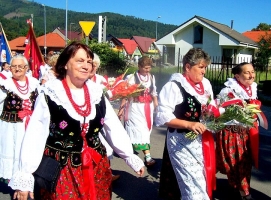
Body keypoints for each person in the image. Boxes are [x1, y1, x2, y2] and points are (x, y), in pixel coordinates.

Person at [8, 41, 145, 200]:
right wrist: (25, 174)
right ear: (65, 64)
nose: (86, 65)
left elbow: (113, 127)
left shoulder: (96, 94)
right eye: (80, 60)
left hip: (97, 167)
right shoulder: (51, 94)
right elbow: (35, 135)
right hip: (62, 169)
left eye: (89, 61)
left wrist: (129, 156)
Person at [155, 48, 214, 200]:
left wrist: (213, 115)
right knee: (192, 185)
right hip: (179, 141)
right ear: (188, 67)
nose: (204, 71)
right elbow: (163, 117)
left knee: (199, 179)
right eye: (200, 67)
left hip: (199, 141)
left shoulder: (205, 84)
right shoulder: (174, 86)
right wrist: (189, 124)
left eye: (205, 67)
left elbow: (210, 107)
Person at [216, 62, 259, 200]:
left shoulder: (252, 88)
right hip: (232, 133)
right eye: (247, 72)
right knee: (237, 163)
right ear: (237, 76)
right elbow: (219, 111)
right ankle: (245, 193)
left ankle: (240, 188)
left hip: (246, 132)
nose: (251, 75)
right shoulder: (228, 91)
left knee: (246, 164)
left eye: (252, 71)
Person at [0, 55, 39, 183]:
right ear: (10, 69)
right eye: (14, 66)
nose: (17, 69)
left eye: (20, 66)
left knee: (27, 151)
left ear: (26, 68)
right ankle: (13, 181)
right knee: (13, 150)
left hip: (29, 125)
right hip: (11, 127)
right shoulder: (5, 84)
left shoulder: (33, 83)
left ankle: (25, 178)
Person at [117, 56, 158, 166]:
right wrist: (121, 109)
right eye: (145, 68)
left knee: (145, 130)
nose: (147, 70)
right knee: (140, 131)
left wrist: (156, 105)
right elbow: (125, 94)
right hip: (134, 108)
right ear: (139, 66)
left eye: (149, 68)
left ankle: (129, 148)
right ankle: (148, 157)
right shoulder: (131, 77)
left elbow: (154, 93)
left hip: (147, 108)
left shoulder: (152, 77)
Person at [90, 52, 120, 181]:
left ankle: (107, 172)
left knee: (106, 145)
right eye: (92, 64)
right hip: (88, 119)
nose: (93, 67)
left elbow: (110, 94)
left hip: (100, 116)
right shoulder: (80, 79)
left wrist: (113, 93)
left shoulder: (100, 79)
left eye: (96, 65)